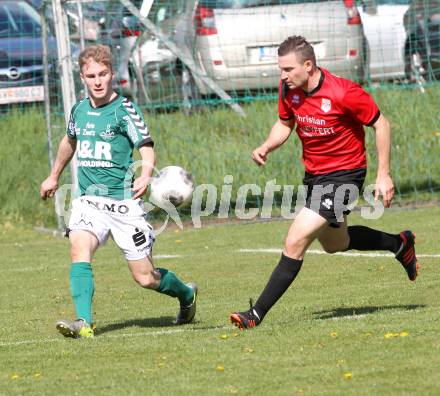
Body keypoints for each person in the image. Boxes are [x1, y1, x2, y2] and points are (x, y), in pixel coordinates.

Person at [230, 36, 420, 330]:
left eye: (288, 69)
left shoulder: (344, 93)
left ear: (308, 65)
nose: (282, 76)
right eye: (280, 69)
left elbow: (381, 124)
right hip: (316, 176)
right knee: (335, 244)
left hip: (346, 175)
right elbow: (285, 123)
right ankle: (399, 243)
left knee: (295, 241)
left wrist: (384, 174)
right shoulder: (289, 90)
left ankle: (255, 314)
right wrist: (267, 145)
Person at [40, 45, 197, 339]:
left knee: (145, 278)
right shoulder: (79, 110)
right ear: (82, 78)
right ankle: (83, 323)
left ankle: (186, 294)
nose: (97, 81)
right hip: (89, 200)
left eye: (102, 74)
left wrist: (146, 172)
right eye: (91, 76)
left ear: (112, 74)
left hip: (124, 205)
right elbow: (69, 142)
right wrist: (53, 176)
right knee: (79, 250)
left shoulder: (125, 110)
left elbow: (146, 146)